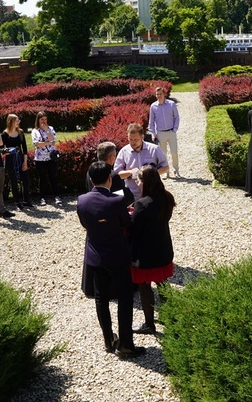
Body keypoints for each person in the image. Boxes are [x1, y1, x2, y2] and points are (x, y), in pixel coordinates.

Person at [77, 161, 144, 358]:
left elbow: (85, 224)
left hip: (96, 256)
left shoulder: (82, 200)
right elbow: (126, 222)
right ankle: (125, 343)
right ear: (109, 179)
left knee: (101, 299)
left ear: (90, 180)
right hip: (118, 255)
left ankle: (108, 340)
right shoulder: (116, 201)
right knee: (124, 299)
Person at [129, 165, 175, 335]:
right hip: (163, 248)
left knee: (145, 287)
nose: (138, 184)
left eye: (139, 180)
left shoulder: (142, 204)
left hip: (145, 254)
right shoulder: (167, 197)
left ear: (145, 182)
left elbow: (134, 230)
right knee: (163, 283)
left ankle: (149, 324)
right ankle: (170, 316)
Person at [114, 123, 169, 201]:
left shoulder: (154, 149)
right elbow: (117, 175)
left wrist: (150, 175)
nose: (133, 142)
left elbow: (165, 167)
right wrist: (130, 172)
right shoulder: (123, 152)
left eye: (136, 140)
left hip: (152, 193)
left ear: (142, 137)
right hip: (132, 194)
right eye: (130, 139)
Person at [86, 141, 134, 206]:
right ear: (111, 157)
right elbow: (126, 199)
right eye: (115, 156)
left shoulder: (90, 172)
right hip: (110, 211)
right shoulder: (112, 175)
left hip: (93, 207)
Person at [2, 113, 34, 209]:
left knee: (26, 180)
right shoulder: (4, 134)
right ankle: (17, 202)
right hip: (10, 159)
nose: (18, 123)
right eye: (16, 121)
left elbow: (24, 148)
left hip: (20, 158)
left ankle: (26, 200)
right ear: (10, 122)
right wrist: (6, 151)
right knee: (14, 181)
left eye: (18, 121)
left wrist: (25, 162)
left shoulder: (20, 132)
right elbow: (1, 149)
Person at [148, 87, 181, 178]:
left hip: (171, 132)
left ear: (164, 94)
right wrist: (153, 134)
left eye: (160, 94)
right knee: (163, 154)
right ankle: (166, 172)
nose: (159, 96)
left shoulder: (171, 104)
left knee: (174, 152)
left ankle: (176, 170)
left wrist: (174, 129)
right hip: (160, 133)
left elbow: (176, 117)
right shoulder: (153, 106)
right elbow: (151, 121)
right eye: (157, 94)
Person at [31, 111, 62, 206]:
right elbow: (36, 144)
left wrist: (47, 131)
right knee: (42, 178)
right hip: (40, 158)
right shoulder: (35, 131)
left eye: (45, 119)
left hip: (50, 157)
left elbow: (53, 139)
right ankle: (42, 198)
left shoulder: (50, 128)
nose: (44, 121)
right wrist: (48, 142)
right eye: (42, 119)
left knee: (53, 177)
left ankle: (57, 196)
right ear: (38, 120)